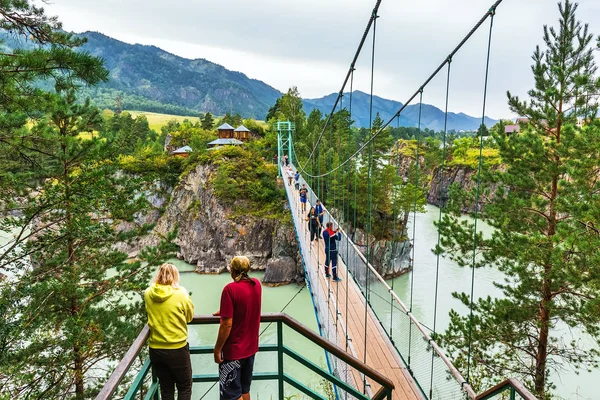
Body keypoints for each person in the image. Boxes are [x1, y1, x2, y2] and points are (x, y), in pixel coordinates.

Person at [214, 256, 262, 400]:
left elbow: (226, 325)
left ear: (232, 270)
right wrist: (225, 310)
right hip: (251, 348)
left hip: (233, 352)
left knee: (231, 396)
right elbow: (245, 305)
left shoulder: (230, 289)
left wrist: (217, 349)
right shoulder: (256, 285)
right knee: (244, 390)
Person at [145, 263, 195, 400]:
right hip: (177, 348)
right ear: (175, 276)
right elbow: (189, 317)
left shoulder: (148, 293)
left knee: (166, 389)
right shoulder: (181, 294)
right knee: (184, 387)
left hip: (156, 348)